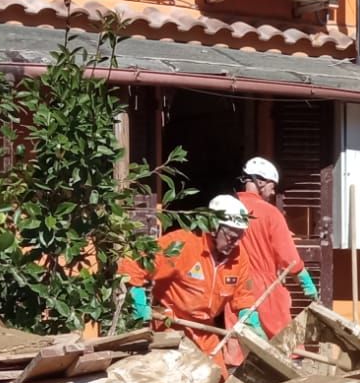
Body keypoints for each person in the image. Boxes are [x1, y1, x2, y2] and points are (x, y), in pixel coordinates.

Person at [118, 195, 258, 366]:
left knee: (218, 379)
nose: (235, 243)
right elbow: (133, 263)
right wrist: (137, 297)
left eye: (239, 237)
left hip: (205, 330)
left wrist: (248, 315)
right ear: (213, 227)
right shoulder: (182, 244)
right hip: (171, 326)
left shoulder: (238, 257)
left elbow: (243, 295)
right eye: (231, 237)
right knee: (178, 381)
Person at [235, 156, 318, 333]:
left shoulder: (226, 210)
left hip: (234, 288)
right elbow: (290, 259)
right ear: (261, 182)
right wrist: (306, 284)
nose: (273, 193)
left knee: (239, 347)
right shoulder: (270, 213)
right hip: (265, 289)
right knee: (284, 346)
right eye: (272, 187)